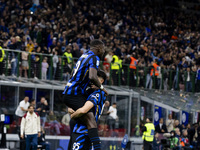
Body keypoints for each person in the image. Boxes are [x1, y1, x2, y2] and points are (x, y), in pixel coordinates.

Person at [63, 39, 108, 150]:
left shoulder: (83, 56)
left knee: (78, 119)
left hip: (71, 92)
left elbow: (74, 76)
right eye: (103, 49)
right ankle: (97, 148)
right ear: (98, 48)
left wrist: (71, 107)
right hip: (75, 94)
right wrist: (102, 88)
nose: (103, 52)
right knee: (91, 120)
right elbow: (92, 77)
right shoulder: (94, 57)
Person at [69, 69, 107, 150]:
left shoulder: (99, 93)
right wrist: (70, 107)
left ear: (101, 81)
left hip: (84, 132)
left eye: (95, 79)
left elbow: (83, 110)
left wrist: (73, 115)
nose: (92, 81)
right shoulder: (88, 91)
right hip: (79, 130)